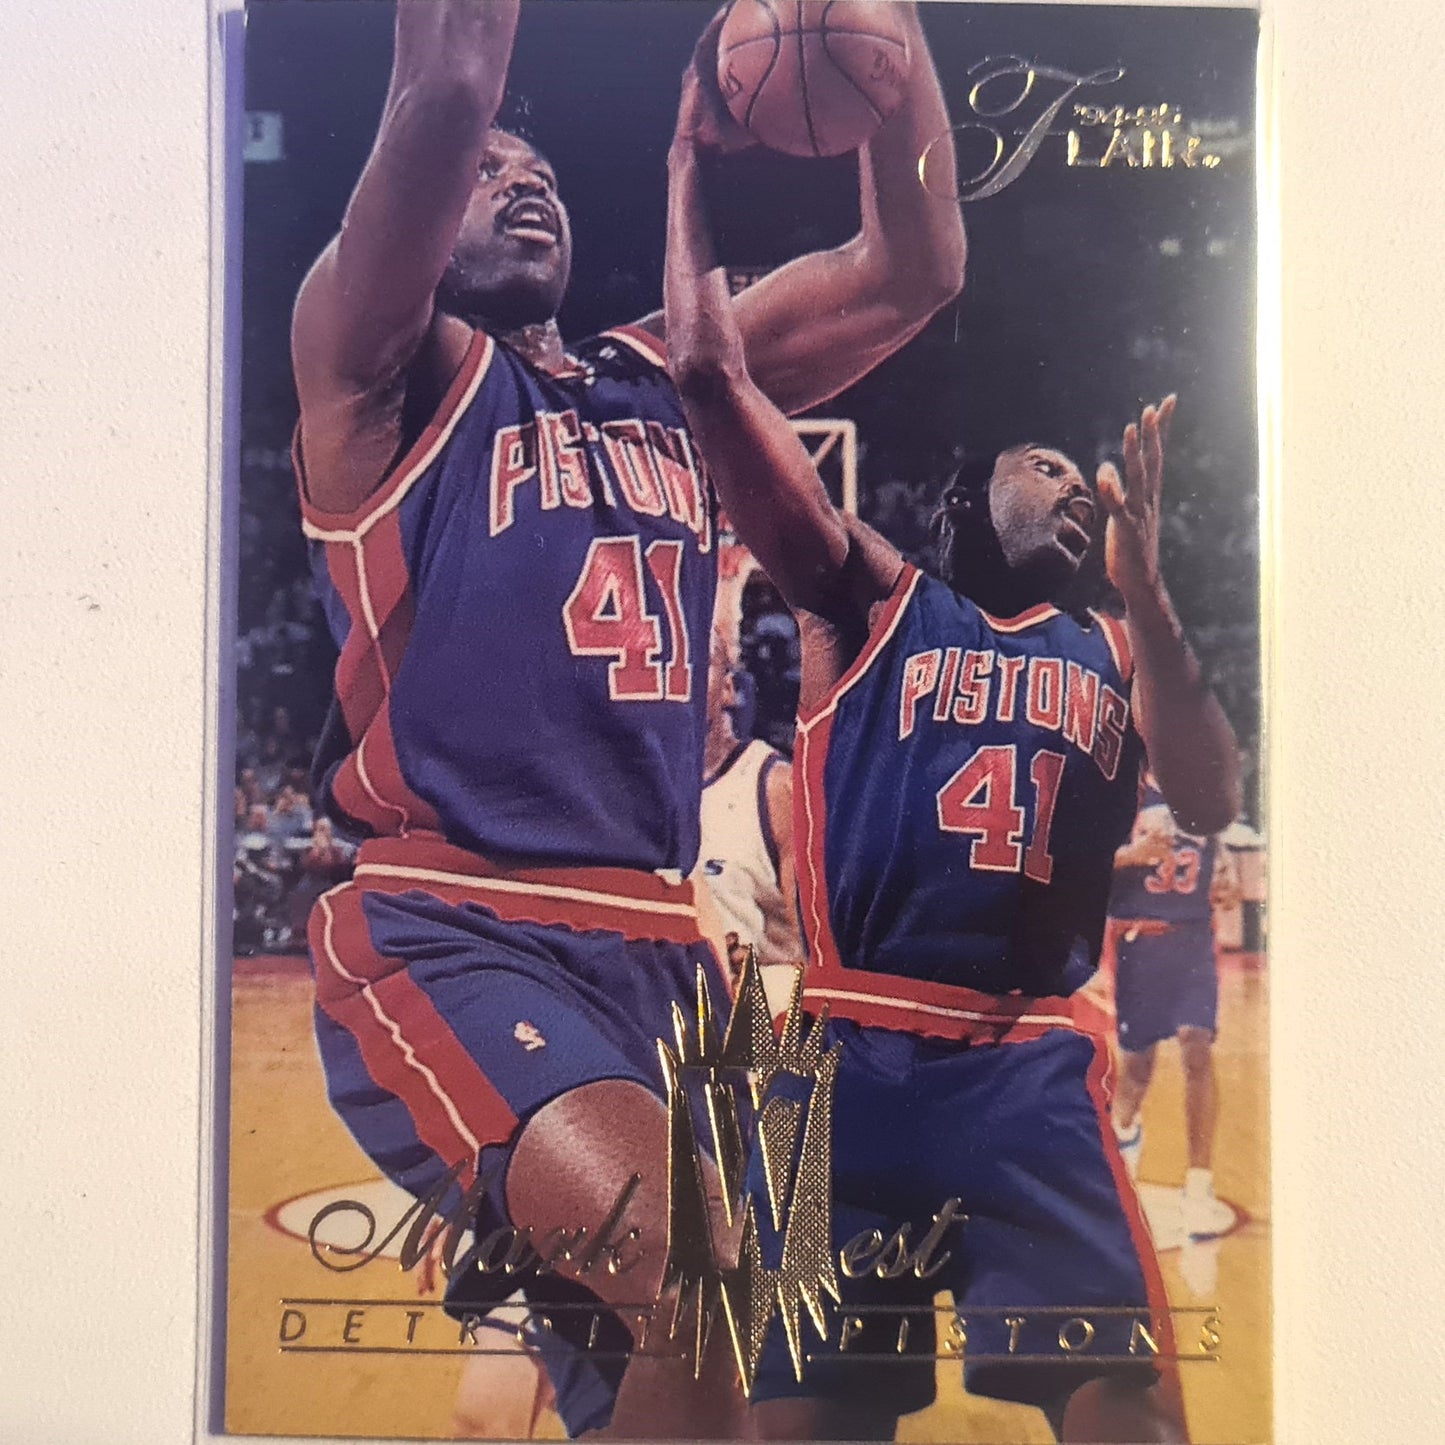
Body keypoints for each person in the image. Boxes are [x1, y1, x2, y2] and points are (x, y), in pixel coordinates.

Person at [288, 2, 964, 1437]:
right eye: (485, 172)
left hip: (671, 947)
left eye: (536, 169)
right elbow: (446, 84)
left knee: (794, 1368)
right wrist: (459, 119)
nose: (518, 178)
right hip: (456, 924)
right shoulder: (376, 369)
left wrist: (894, 44)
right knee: (698, 1269)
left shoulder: (670, 377)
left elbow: (914, 269)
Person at [663, 53, 1239, 1440]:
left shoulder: (1114, 647)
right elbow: (705, 372)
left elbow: (1211, 794)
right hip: (828, 1057)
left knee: (1132, 1416)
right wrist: (686, 173)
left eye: (1078, 474)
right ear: (967, 500)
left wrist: (1153, 599)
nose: (1072, 484)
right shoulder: (867, 599)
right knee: (795, 1427)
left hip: (1025, 1058)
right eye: (1041, 467)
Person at [1108, 778, 1242, 1240]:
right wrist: (1133, 855)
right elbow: (1084, 863)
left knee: (1197, 1049)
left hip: (1192, 942)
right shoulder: (1119, 791)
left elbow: (1219, 864)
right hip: (1139, 942)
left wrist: (1225, 876)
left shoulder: (1200, 796)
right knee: (1136, 1071)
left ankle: (1199, 1184)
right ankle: (1123, 1148)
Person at [700, 624, 802, 985]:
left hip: (761, 1010)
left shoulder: (775, 787)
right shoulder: (634, 787)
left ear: (728, 688)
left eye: (696, 664)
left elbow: (821, 957)